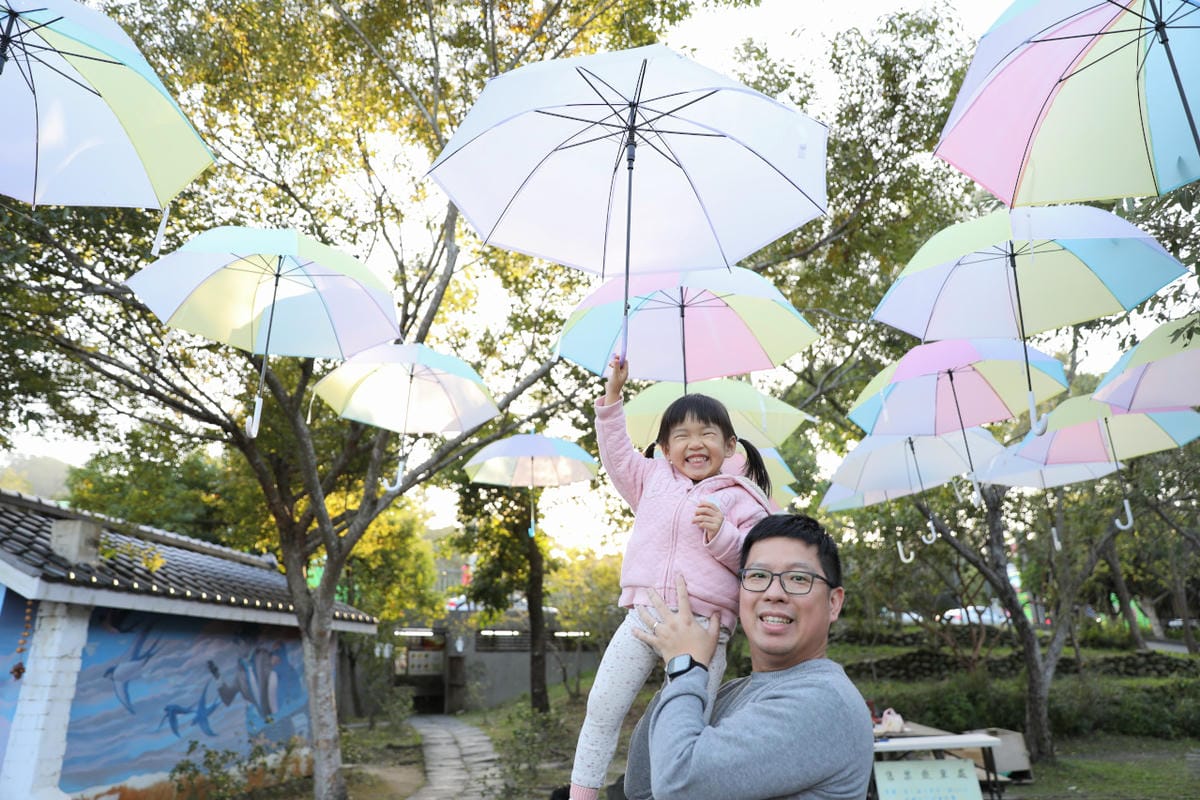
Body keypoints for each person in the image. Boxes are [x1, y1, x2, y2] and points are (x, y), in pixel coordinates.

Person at [566, 355, 776, 800]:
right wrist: (613, 397)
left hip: (704, 633)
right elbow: (618, 454)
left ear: (730, 445)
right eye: (681, 435)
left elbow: (757, 564)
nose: (694, 443)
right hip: (645, 619)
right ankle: (581, 794)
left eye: (707, 434)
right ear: (664, 448)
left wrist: (723, 534)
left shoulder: (741, 500)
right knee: (602, 707)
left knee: (681, 727)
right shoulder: (651, 481)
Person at [623, 513, 874, 800]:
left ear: (833, 603)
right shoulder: (727, 692)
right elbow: (643, 785)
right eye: (757, 576)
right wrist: (683, 657)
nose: (774, 593)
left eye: (798, 578)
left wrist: (684, 665)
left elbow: (676, 783)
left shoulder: (825, 701)